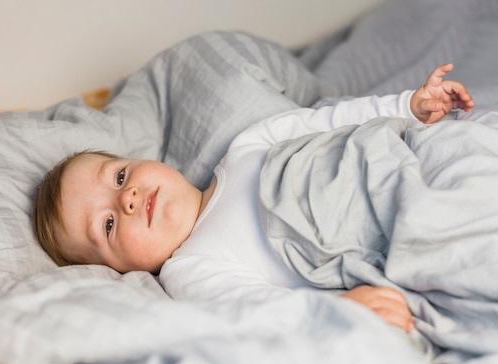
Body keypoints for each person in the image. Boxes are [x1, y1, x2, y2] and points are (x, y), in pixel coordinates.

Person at [33, 64, 474, 333]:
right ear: (118, 271)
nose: (127, 199)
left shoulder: (244, 148)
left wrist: (405, 107)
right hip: (376, 239)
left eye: (120, 176)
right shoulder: (190, 269)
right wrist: (337, 310)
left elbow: (325, 123)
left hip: (392, 170)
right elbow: (257, 310)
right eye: (108, 225)